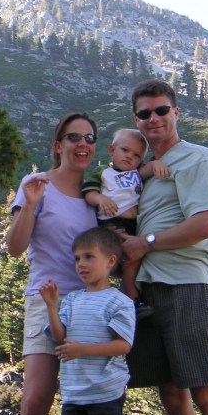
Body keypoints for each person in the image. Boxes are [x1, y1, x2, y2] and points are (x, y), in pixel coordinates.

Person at [122, 79, 208, 415]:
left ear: (176, 113)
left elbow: (206, 224)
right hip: (148, 292)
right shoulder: (145, 173)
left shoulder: (197, 157)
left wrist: (146, 243)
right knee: (170, 395)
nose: (153, 118)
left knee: (206, 392)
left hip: (187, 283)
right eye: (144, 113)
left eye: (161, 110)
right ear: (136, 120)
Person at [6, 112, 99, 415]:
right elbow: (15, 248)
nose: (82, 143)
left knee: (91, 406)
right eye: (74, 137)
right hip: (46, 300)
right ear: (58, 145)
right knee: (35, 400)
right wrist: (30, 206)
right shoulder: (36, 186)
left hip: (90, 308)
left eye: (89, 138)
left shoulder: (97, 196)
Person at [40, 227, 136, 415]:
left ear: (110, 261)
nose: (80, 264)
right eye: (77, 259)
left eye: (89, 257)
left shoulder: (119, 302)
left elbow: (123, 345)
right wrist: (51, 306)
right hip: (73, 395)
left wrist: (84, 349)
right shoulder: (73, 299)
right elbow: (59, 337)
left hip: (106, 394)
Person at [82, 128, 170, 320]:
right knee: (106, 263)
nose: (130, 157)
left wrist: (156, 164)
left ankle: (130, 300)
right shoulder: (104, 173)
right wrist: (100, 199)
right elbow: (88, 192)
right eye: (125, 150)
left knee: (133, 260)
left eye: (136, 155)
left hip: (132, 227)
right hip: (110, 224)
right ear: (112, 150)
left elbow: (149, 169)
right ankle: (101, 300)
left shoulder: (136, 174)